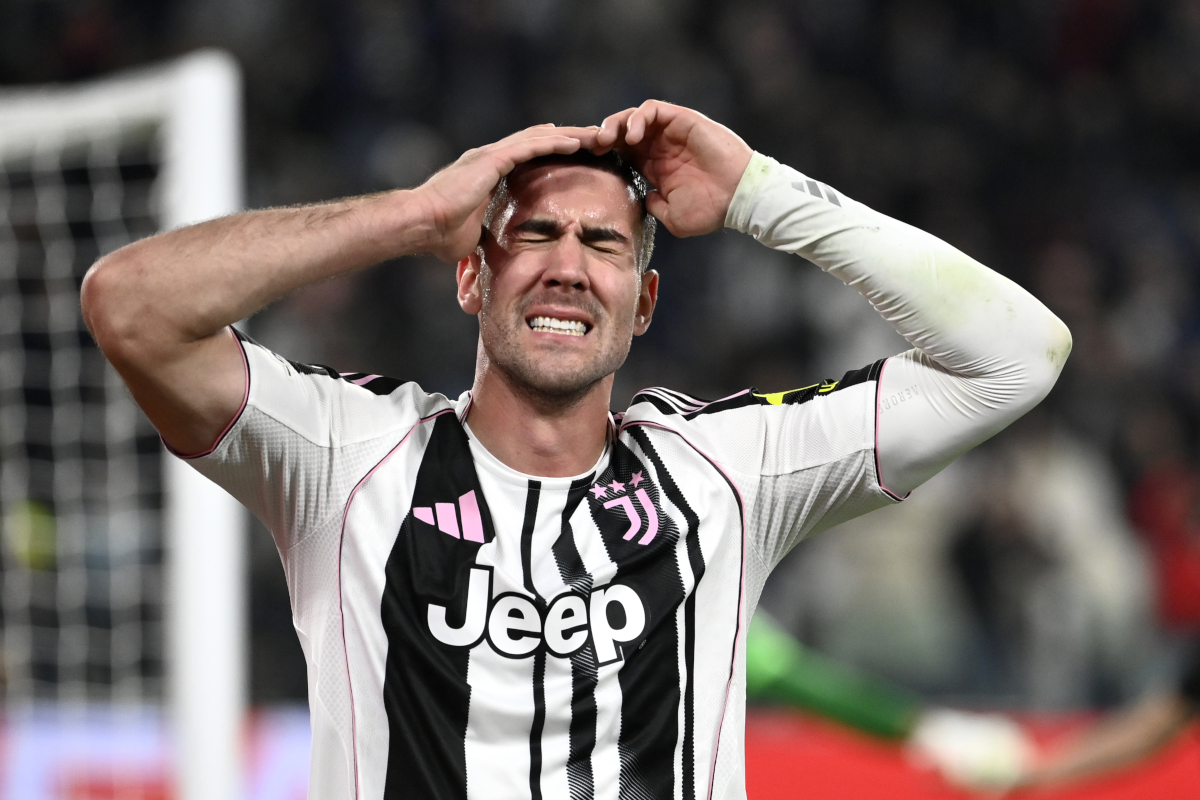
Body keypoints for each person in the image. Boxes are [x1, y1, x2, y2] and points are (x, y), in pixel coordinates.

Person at [80, 101, 1070, 800]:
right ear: (471, 276)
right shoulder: (346, 454)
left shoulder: (722, 471)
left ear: (643, 302)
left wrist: (761, 194)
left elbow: (1017, 357)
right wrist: (417, 213)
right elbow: (131, 307)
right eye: (535, 234)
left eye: (604, 245)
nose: (565, 268)